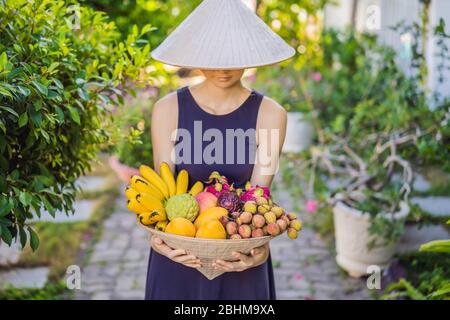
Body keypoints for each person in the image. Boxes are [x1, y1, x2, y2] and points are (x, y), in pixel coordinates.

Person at [145, 0, 295, 300]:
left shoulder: (270, 114)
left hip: (239, 260)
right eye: (212, 56)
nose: (223, 68)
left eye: (232, 56)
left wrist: (259, 251)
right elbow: (163, 193)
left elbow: (259, 197)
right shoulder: (167, 110)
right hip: (180, 255)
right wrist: (156, 237)